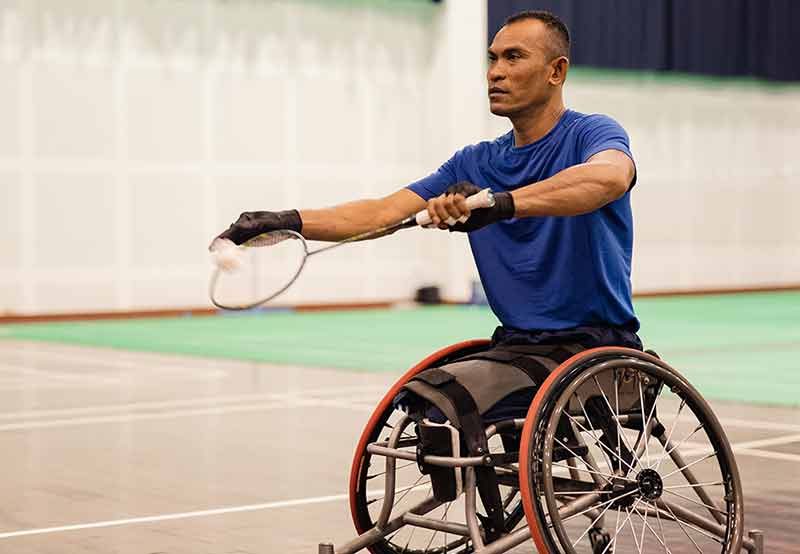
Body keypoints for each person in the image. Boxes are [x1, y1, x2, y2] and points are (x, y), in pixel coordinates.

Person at [212, 10, 642, 354]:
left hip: (595, 343)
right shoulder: (475, 162)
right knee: (432, 408)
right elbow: (381, 213)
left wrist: (500, 204)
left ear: (556, 71)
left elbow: (608, 177)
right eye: (492, 58)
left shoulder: (592, 133)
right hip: (519, 344)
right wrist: (284, 221)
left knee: (463, 417)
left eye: (514, 57)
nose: (495, 71)